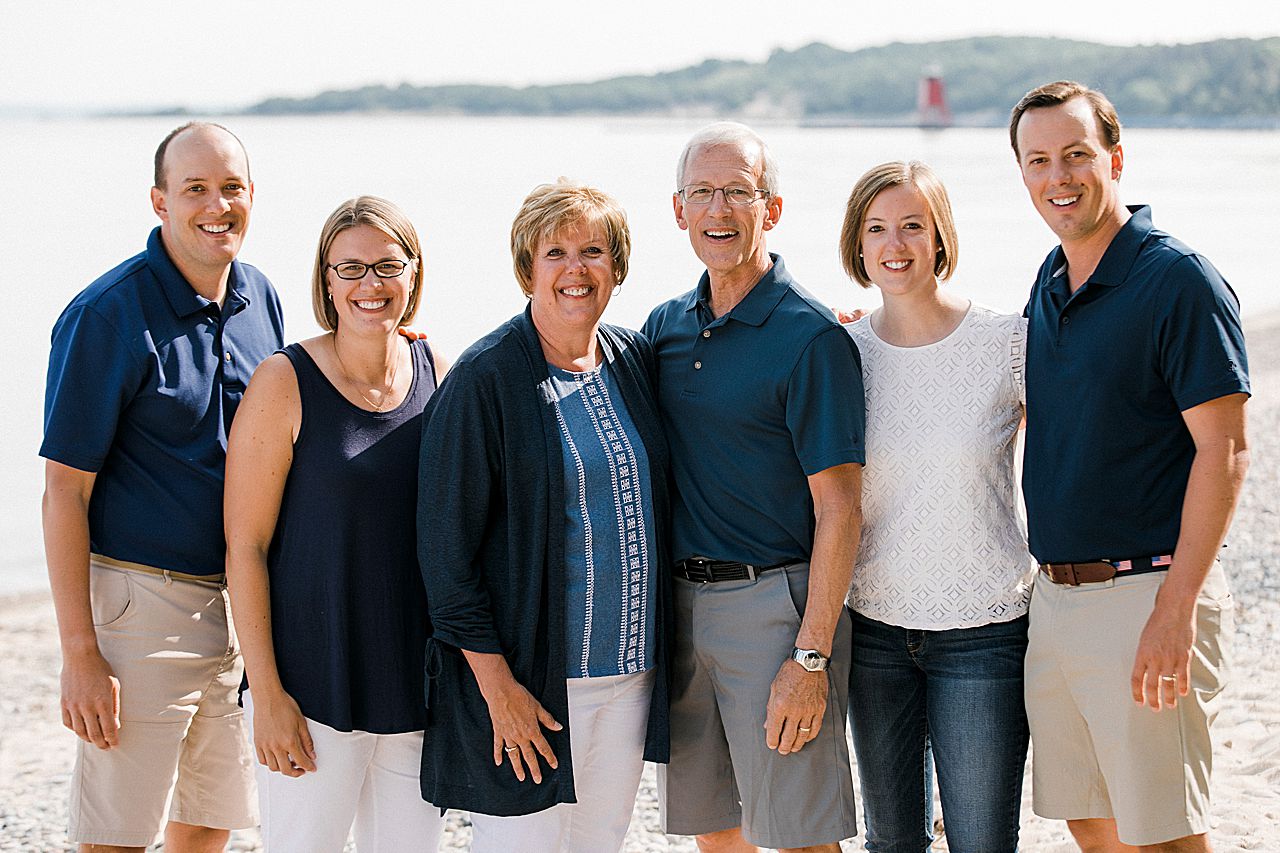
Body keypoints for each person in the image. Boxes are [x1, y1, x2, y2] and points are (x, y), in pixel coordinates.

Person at [1010, 81, 1250, 852]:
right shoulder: (1048, 283)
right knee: (1091, 817)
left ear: (1116, 158)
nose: (1059, 176)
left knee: (1163, 831)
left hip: (1147, 589)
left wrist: (1175, 609)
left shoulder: (1177, 279)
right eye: (1039, 159)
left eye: (1077, 154)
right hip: (1056, 599)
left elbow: (1227, 450)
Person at [40, 122, 283, 852]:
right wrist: (80, 654)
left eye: (231, 188)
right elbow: (62, 494)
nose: (217, 206)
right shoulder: (106, 315)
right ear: (159, 201)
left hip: (239, 607)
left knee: (212, 818)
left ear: (252, 196)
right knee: (118, 833)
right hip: (138, 608)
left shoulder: (260, 295)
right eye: (195, 189)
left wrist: (391, 343)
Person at [416, 179, 671, 853]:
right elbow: (445, 555)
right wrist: (499, 690)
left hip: (630, 675)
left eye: (593, 250)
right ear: (527, 266)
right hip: (534, 685)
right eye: (554, 251)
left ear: (616, 265)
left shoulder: (631, 358)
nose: (575, 268)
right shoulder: (484, 379)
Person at [642, 122, 865, 853]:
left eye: (738, 191)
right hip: (679, 610)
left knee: (802, 834)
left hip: (775, 611)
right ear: (678, 211)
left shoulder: (811, 337)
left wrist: (810, 658)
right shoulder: (664, 329)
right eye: (702, 192)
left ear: (771, 207)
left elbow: (841, 508)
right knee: (715, 830)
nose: (719, 208)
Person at [223, 196, 445, 852]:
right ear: (326, 280)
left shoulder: (435, 369)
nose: (369, 285)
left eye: (385, 266)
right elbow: (245, 545)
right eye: (349, 269)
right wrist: (267, 694)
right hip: (313, 689)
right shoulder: (283, 380)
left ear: (413, 273)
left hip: (415, 690)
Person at [838, 160, 1033, 852]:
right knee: (892, 842)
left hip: (984, 630)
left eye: (913, 225)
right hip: (875, 631)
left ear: (940, 235)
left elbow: (1078, 457)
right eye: (878, 228)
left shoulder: (1008, 342)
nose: (896, 243)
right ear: (857, 245)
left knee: (981, 839)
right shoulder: (840, 352)